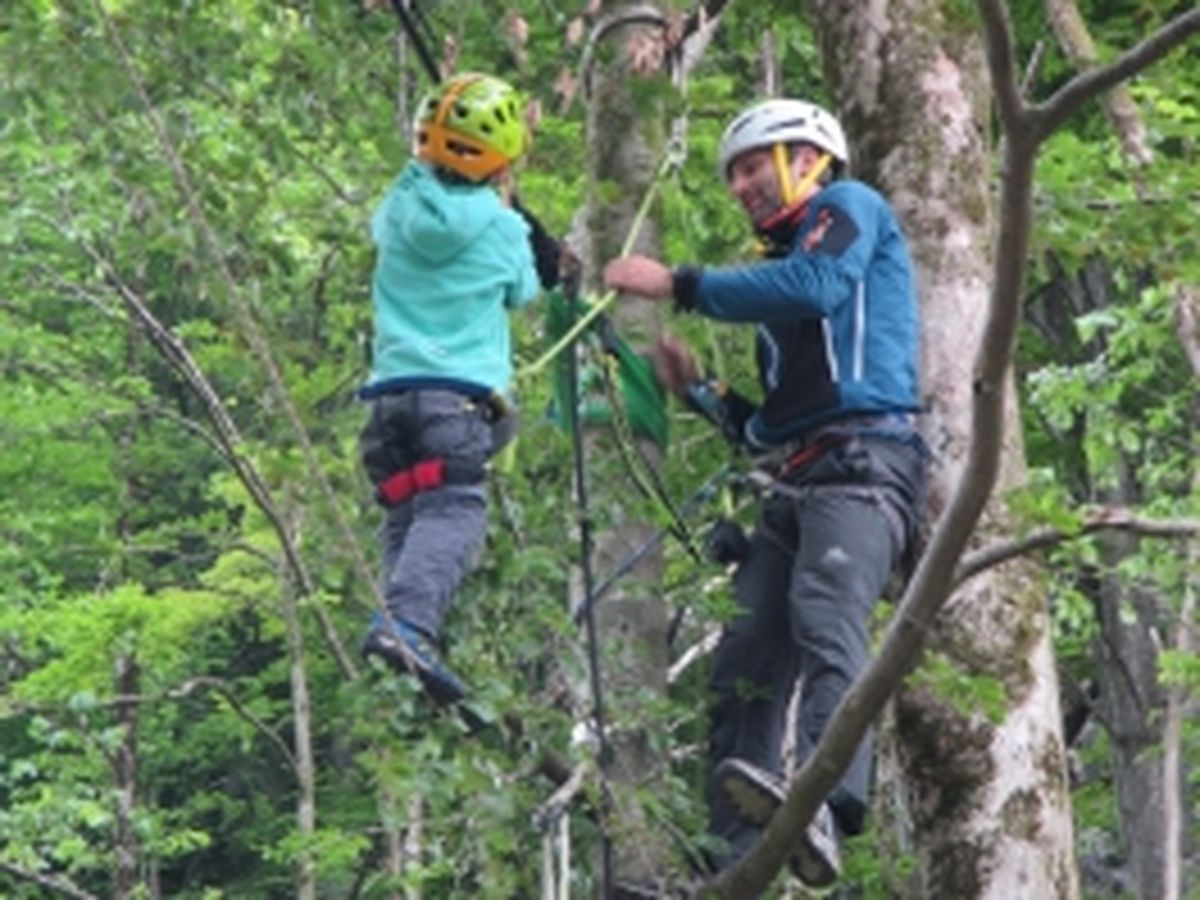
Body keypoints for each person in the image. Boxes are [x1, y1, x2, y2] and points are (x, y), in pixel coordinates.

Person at [603, 98, 927, 885]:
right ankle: (732, 854)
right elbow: (770, 427)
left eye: (754, 166)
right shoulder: (782, 289)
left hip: (866, 464)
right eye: (736, 175)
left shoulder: (849, 208)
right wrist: (703, 394)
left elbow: (817, 285)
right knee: (743, 660)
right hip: (799, 475)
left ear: (808, 159)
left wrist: (680, 282)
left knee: (826, 617)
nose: (743, 185)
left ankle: (826, 800)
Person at [359, 72, 559, 704]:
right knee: (454, 510)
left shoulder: (397, 208)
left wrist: (424, 168)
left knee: (409, 512)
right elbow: (525, 289)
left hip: (388, 408)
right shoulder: (500, 228)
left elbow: (391, 213)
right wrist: (510, 213)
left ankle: (402, 630)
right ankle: (409, 625)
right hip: (454, 402)